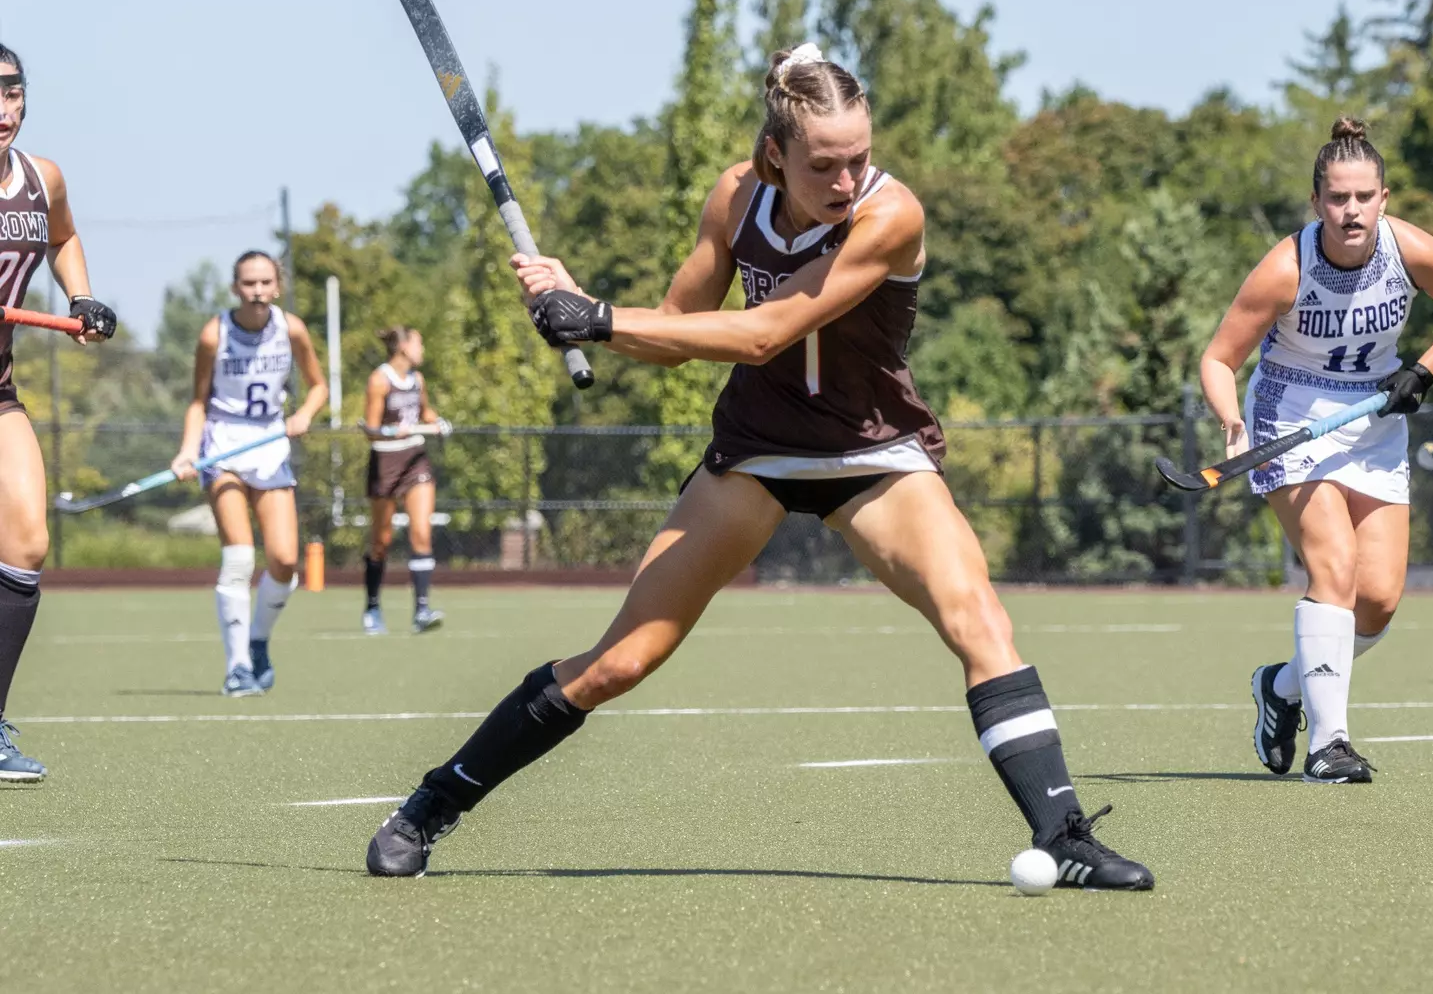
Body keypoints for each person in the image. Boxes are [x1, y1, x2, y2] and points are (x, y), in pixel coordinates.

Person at [365, 44, 1155, 890]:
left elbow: (764, 333)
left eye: (858, 157)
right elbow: (676, 329)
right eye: (825, 164)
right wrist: (578, 303)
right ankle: (430, 805)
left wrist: (596, 319)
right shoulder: (734, 199)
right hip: (758, 451)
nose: (847, 178)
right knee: (617, 664)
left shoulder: (892, 217)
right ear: (775, 152)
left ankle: (1064, 834)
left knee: (981, 624)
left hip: (871, 450)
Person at [1200, 118, 1433, 783]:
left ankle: (1282, 689)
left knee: (1379, 600)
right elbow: (1219, 359)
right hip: (1290, 416)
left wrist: (1423, 370)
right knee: (1333, 567)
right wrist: (1231, 425)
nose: (1351, 210)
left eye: (1363, 196)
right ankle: (1328, 745)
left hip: (1376, 420)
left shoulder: (1407, 249)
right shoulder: (1286, 268)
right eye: (1337, 198)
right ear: (1317, 204)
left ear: (1384, 198)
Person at [0, 44, 117, 781]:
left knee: (29, 542)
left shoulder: (42, 180)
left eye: (11, 92)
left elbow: (64, 237)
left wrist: (79, 298)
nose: (1, 109)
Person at [170, 251, 327, 696]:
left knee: (284, 560)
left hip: (270, 446)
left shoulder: (290, 328)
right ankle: (237, 666)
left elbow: (319, 385)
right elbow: (198, 401)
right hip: (222, 448)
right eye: (248, 283)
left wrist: (305, 414)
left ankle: (258, 640)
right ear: (236, 288)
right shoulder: (213, 334)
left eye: (264, 283)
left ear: (276, 286)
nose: (257, 291)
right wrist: (186, 452)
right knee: (240, 558)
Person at [360, 325, 449, 635]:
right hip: (386, 462)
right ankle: (372, 606)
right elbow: (370, 429)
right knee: (381, 542)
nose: (422, 350)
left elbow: (424, 413)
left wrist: (437, 421)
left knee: (421, 533)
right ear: (403, 348)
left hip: (415, 460)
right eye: (418, 344)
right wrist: (388, 430)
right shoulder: (379, 380)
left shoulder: (417, 379)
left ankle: (421, 610)